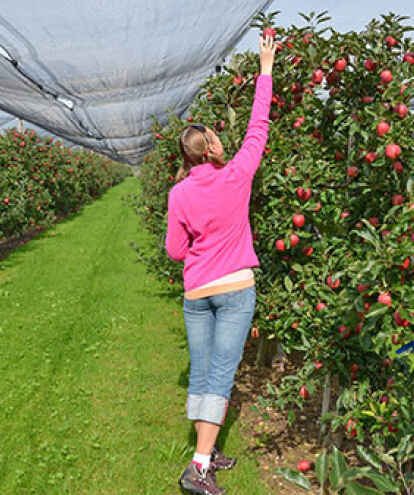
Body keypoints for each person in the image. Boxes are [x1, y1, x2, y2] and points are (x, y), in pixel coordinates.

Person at [165, 33, 275, 495]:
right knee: (220, 375)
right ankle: (198, 467)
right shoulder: (236, 175)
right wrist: (266, 70)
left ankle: (206, 451)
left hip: (196, 292)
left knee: (202, 370)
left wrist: (201, 246)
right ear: (211, 148)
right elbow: (258, 127)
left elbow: (175, 251)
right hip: (234, 290)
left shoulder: (179, 193)